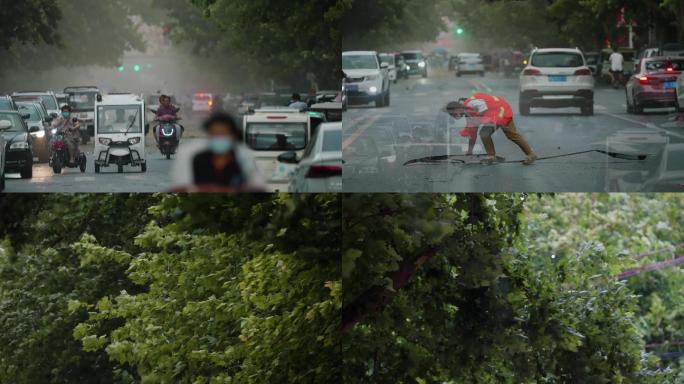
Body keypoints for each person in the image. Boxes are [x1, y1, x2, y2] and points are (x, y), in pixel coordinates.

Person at [445, 93, 537, 165]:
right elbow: (472, 134)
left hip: (500, 110)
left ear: (458, 109)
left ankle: (531, 154)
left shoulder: (470, 103)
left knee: (510, 134)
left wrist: (478, 119)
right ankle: (492, 156)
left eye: (454, 113)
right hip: (498, 112)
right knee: (485, 134)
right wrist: (470, 151)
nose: (455, 116)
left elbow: (483, 107)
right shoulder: (468, 113)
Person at [190, 112, 263, 189]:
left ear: (233, 136)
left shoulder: (243, 160)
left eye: (222, 133)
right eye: (214, 134)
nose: (218, 138)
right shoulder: (199, 159)